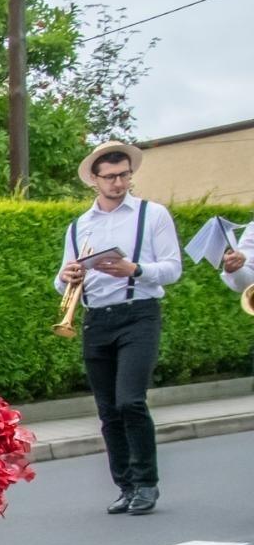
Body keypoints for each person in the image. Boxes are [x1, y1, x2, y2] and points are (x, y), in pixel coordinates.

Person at [55, 141, 183, 515]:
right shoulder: (79, 226)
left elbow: (173, 268)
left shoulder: (153, 214)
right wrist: (66, 276)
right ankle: (125, 486)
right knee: (108, 408)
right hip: (97, 319)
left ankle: (146, 483)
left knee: (131, 400)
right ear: (94, 180)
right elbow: (63, 282)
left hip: (139, 312)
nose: (119, 183)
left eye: (124, 175)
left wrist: (136, 270)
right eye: (110, 177)